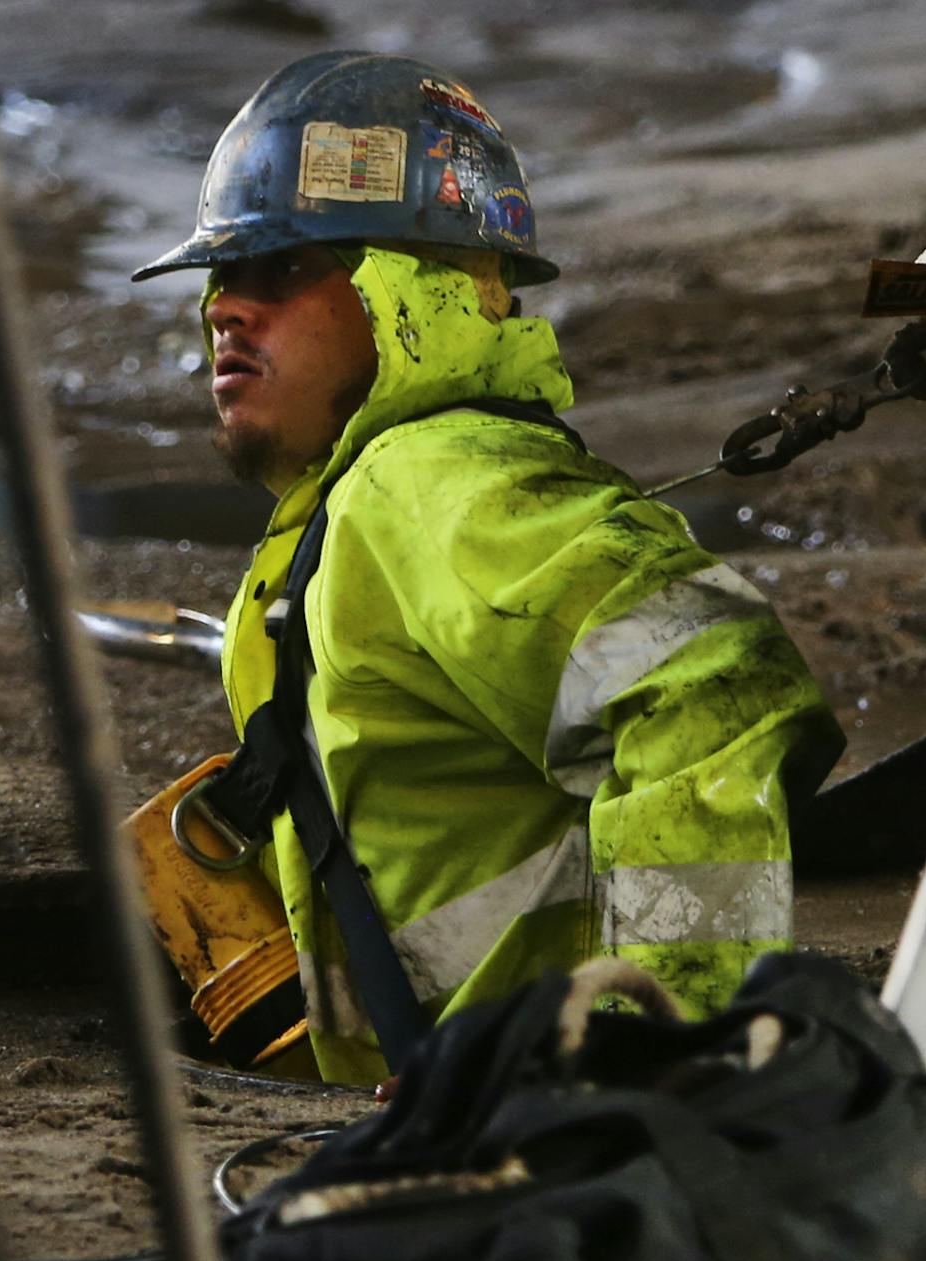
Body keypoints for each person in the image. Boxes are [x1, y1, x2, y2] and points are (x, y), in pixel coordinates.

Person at [133, 52, 843, 1084]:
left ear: (411, 287)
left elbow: (715, 684)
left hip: (556, 1122)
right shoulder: (364, 501)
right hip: (470, 1108)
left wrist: (677, 1039)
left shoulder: (429, 483)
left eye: (282, 269)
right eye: (222, 275)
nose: (225, 310)